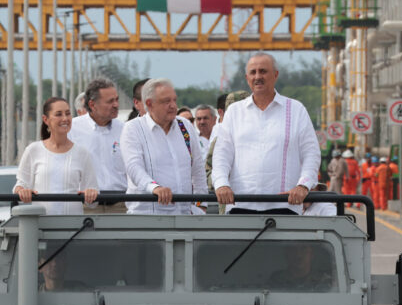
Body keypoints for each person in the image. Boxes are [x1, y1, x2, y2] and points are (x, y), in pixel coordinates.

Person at [212, 52, 321, 214]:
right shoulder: (235, 112)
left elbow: (311, 154)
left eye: (263, 71)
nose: (258, 77)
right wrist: (221, 184)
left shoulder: (296, 110)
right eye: (253, 72)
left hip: (284, 206)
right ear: (247, 78)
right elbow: (221, 155)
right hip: (241, 206)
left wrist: (303, 185)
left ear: (275, 74)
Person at [120, 79, 207, 214]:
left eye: (174, 100)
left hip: (185, 217)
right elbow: (134, 167)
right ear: (149, 103)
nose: (173, 106)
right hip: (147, 218)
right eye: (166, 101)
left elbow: (198, 169)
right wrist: (154, 188)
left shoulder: (185, 126)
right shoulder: (133, 128)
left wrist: (201, 206)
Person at [14, 97, 99, 214]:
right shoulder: (33, 150)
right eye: (58, 114)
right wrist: (22, 192)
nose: (65, 118)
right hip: (40, 227)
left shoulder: (82, 153)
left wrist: (91, 194)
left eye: (68, 114)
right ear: (46, 119)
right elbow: (20, 185)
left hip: (74, 228)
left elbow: (93, 202)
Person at [69, 78, 128, 213]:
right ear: (92, 104)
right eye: (110, 101)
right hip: (85, 207)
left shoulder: (125, 130)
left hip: (120, 207)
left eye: (116, 100)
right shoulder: (72, 130)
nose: (116, 105)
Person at [267, 243, 335, 292]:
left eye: (304, 249)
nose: (298, 255)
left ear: (311, 255)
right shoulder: (276, 280)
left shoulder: (324, 280)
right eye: (293, 249)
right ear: (286, 254)